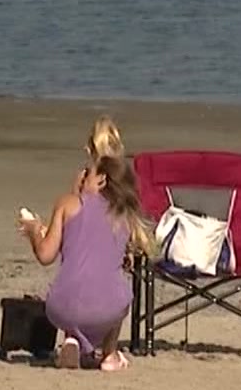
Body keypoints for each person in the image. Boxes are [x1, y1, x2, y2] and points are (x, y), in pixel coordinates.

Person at [17, 155, 150, 372]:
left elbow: (45, 255)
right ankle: (109, 354)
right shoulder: (125, 215)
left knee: (77, 280)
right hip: (107, 308)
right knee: (117, 289)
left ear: (102, 180)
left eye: (87, 172)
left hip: (61, 308)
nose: (80, 176)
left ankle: (73, 340)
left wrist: (33, 232)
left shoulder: (67, 203)